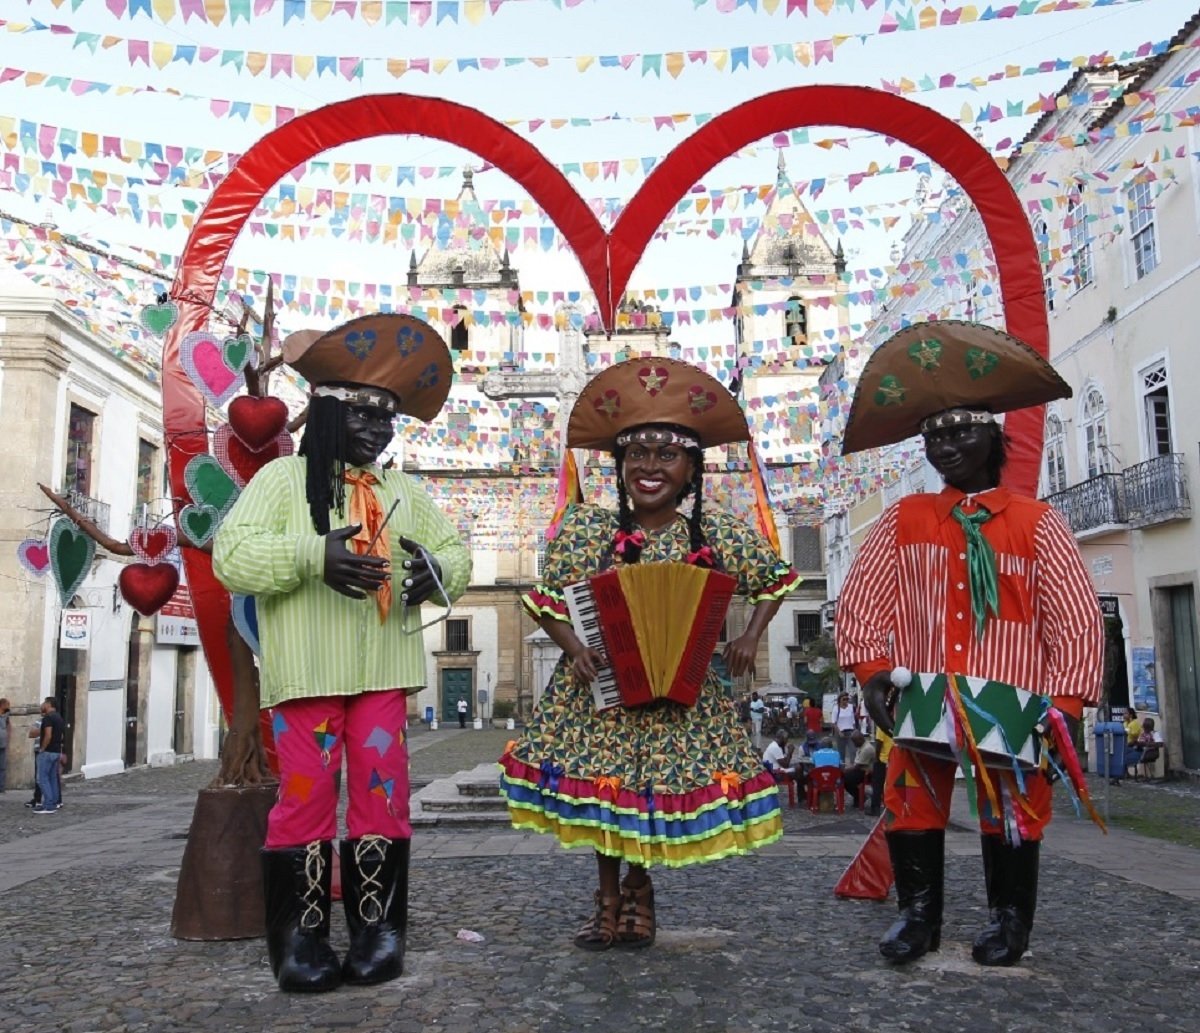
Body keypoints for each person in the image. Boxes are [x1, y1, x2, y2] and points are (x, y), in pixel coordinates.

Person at [500, 357, 800, 951]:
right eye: (637, 455)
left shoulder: (715, 533)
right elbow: (545, 599)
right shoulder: (586, 528)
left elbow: (777, 579)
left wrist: (750, 635)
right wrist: (574, 646)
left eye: (666, 456)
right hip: (601, 692)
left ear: (691, 470)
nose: (650, 467)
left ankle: (638, 893)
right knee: (604, 797)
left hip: (678, 694)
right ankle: (606, 900)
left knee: (646, 799)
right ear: (620, 466)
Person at [213, 313, 471, 993]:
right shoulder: (277, 485)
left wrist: (435, 574)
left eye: (387, 418)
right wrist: (310, 556)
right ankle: (299, 937)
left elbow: (455, 551)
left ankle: (378, 930)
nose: (379, 430)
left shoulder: (404, 493)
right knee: (303, 797)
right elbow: (230, 557)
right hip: (306, 676)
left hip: (383, 672)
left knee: (383, 796)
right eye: (363, 414)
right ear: (326, 413)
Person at [835, 320, 1103, 968]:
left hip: (1011, 695)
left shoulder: (1039, 524)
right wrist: (871, 669)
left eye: (961, 431)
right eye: (935, 435)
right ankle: (918, 917)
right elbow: (863, 601)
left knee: (1011, 808)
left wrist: (1067, 702)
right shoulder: (905, 519)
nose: (948, 445)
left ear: (993, 435)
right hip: (924, 692)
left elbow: (1074, 617)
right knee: (910, 800)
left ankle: (1009, 921)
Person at [32, 697, 64, 814]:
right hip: (56, 751)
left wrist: (42, 748)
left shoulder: (48, 718)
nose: (43, 705)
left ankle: (49, 804)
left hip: (48, 752)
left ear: (49, 704)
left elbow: (48, 735)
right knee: (52, 778)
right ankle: (54, 802)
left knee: (42, 779)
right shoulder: (59, 717)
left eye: (45, 703)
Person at [842, 730, 876, 809]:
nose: (854, 744)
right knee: (843, 778)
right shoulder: (862, 746)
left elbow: (857, 766)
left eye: (855, 742)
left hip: (865, 772)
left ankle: (860, 797)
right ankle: (859, 797)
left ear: (860, 739)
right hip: (860, 770)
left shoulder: (867, 749)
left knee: (845, 778)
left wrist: (846, 769)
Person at [832, 691, 857, 763]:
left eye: (847, 699)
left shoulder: (850, 707)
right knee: (841, 752)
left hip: (850, 731)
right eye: (844, 699)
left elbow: (853, 720)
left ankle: (853, 767)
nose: (846, 701)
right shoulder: (836, 708)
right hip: (840, 732)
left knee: (853, 751)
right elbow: (834, 723)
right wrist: (839, 732)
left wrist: (855, 731)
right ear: (840, 699)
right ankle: (842, 768)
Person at [0, 697, 10, 793]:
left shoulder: (6, 715)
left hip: (3, 743)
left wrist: (8, 737)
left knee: (2, 766)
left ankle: (1, 787)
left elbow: (8, 726)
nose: (8, 707)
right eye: (7, 704)